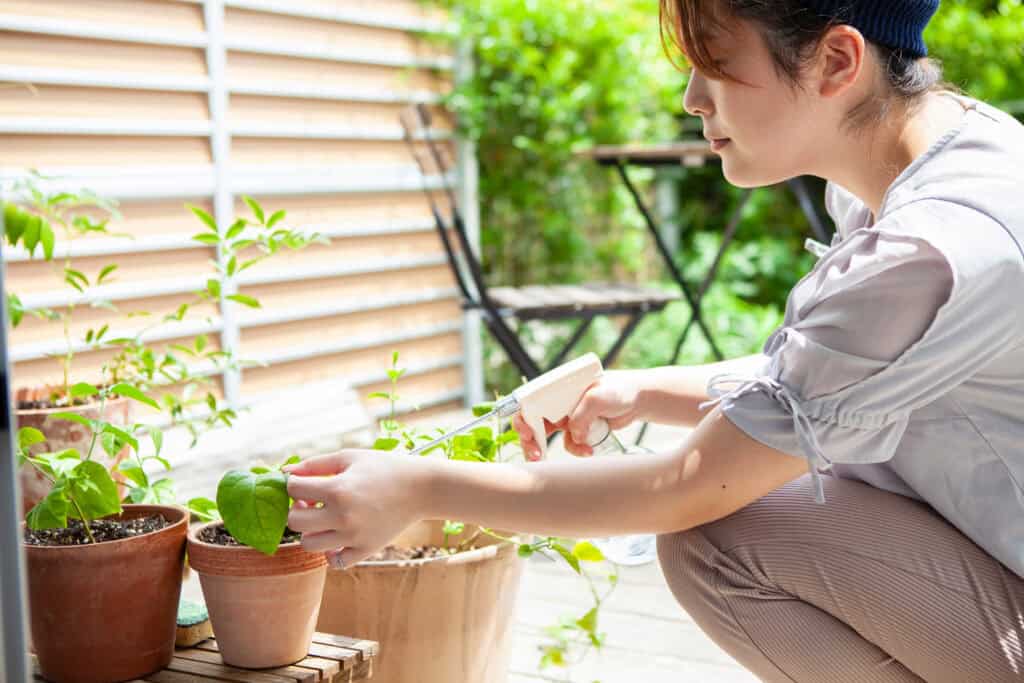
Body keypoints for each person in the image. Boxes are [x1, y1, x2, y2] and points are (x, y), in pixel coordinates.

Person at [284, 1, 1024, 680]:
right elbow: (829, 376)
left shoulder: (931, 246)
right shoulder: (950, 149)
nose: (692, 100)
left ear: (836, 61)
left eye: (716, 65)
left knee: (719, 537)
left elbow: (684, 490)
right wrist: (641, 391)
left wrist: (419, 484)